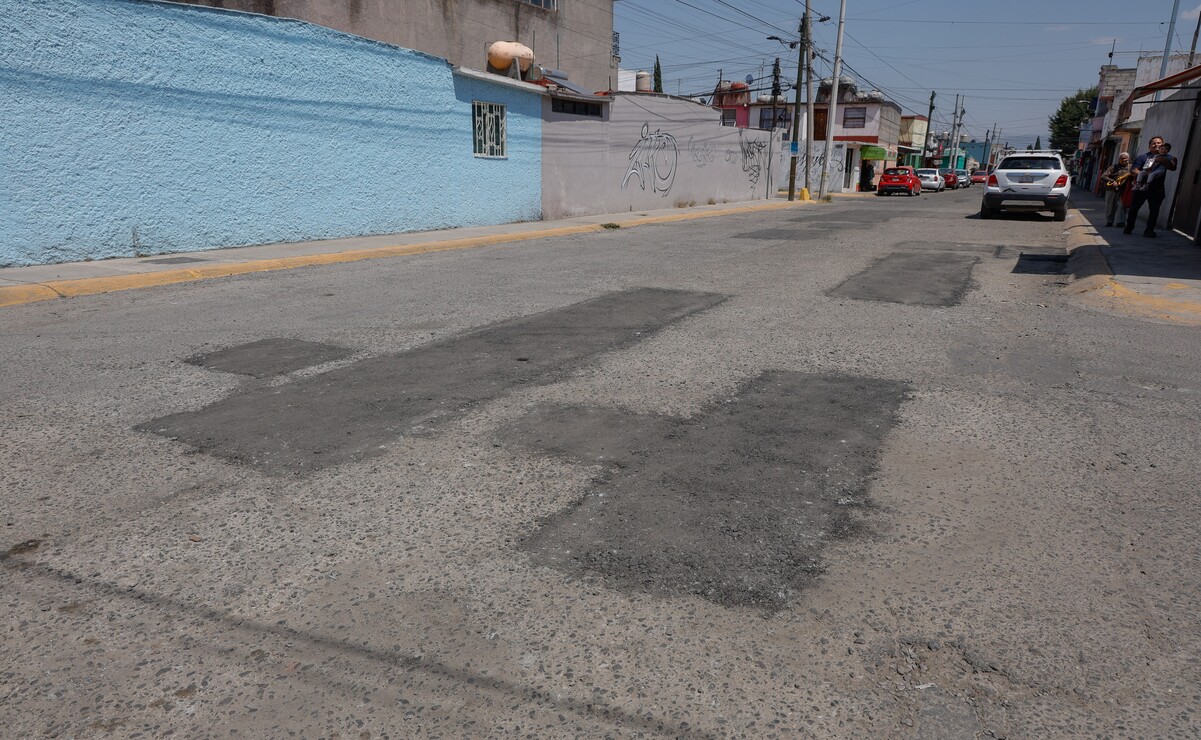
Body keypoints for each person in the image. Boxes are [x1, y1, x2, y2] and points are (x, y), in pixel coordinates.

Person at [1124, 136, 1177, 238]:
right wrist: (1146, 175)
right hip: (1141, 188)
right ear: (1149, 146)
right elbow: (1133, 170)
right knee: (1134, 209)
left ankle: (1149, 231)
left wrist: (1164, 161)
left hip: (1157, 189)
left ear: (1163, 145)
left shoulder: (1167, 157)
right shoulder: (1143, 157)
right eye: (1154, 143)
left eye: (1159, 143)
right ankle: (1129, 228)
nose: (1156, 145)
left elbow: (1173, 167)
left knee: (1154, 211)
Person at [1101, 152, 1131, 227]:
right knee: (1110, 206)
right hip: (1112, 189)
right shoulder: (1113, 167)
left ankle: (1120, 222)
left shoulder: (1130, 167)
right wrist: (1112, 181)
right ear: (1119, 159)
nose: (1124, 160)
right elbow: (1103, 176)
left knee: (1122, 206)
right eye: (1122, 158)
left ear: (1128, 159)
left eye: (1125, 158)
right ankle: (1109, 221)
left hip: (1124, 190)